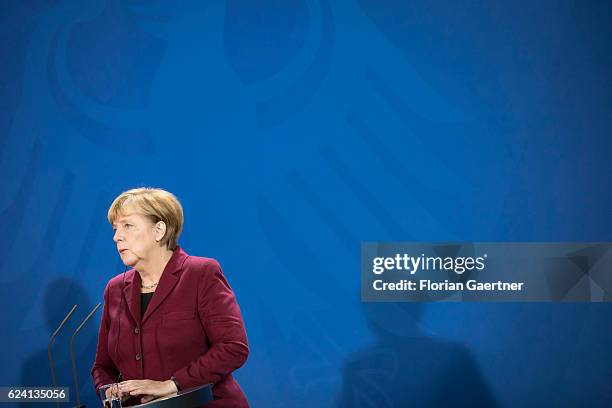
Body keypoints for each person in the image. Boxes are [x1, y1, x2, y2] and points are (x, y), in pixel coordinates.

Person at [91, 187, 249, 407]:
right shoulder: (115, 289)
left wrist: (173, 384)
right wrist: (111, 393)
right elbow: (102, 367)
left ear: (159, 230)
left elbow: (233, 347)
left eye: (127, 225)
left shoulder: (201, 273)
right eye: (115, 229)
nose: (116, 237)